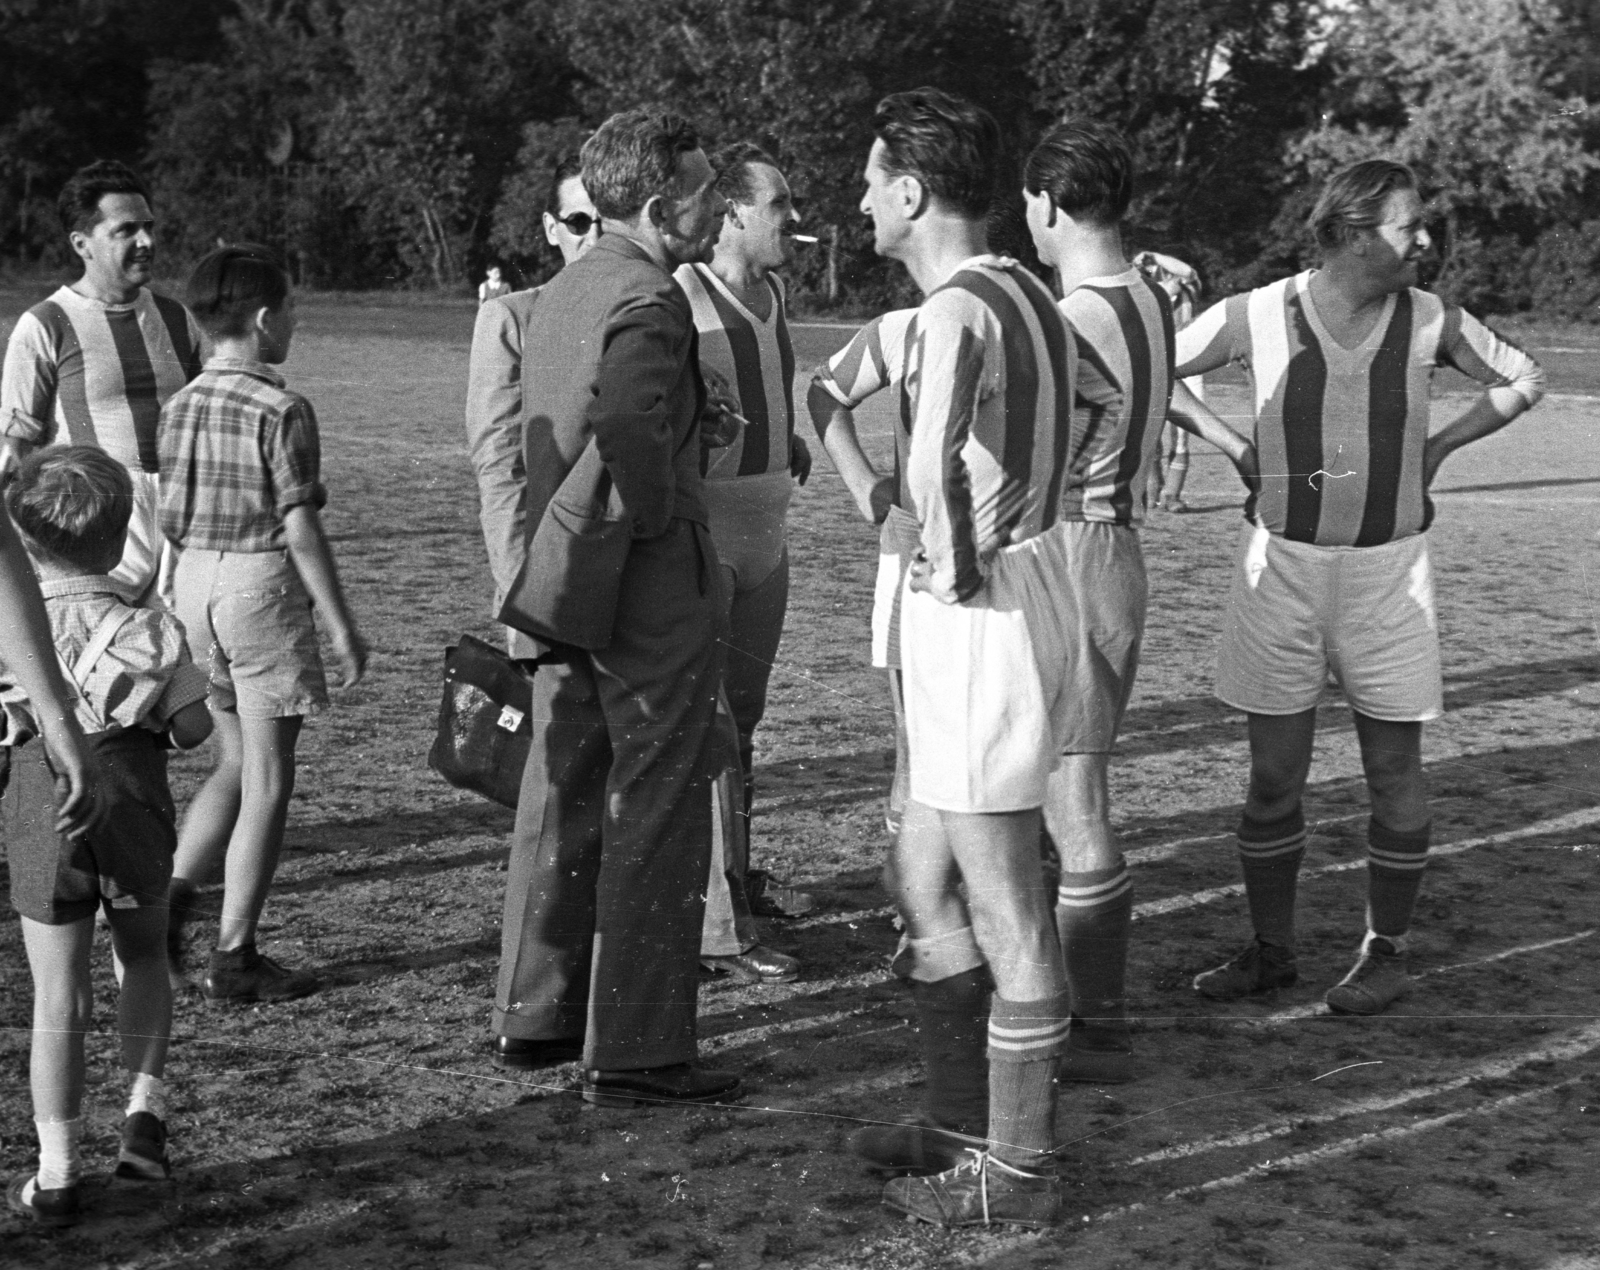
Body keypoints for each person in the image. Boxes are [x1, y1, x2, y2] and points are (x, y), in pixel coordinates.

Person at [1178, 160, 1545, 1015]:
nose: (1426, 240)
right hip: (1281, 574)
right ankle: (1272, 952)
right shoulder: (1256, 313)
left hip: (1390, 576)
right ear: (1350, 231)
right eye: (1408, 225)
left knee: (1393, 768)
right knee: (1274, 778)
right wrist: (1230, 445)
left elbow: (1523, 376)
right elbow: (1146, 369)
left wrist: (1440, 446)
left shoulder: (1431, 319)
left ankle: (1387, 950)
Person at [843, 87, 1078, 1230]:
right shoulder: (1030, 291)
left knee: (1004, 904)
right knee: (923, 878)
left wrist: (953, 560)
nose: (857, 198)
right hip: (1011, 598)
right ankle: (956, 1124)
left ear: (909, 191)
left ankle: (1018, 1181)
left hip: (979, 616)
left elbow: (930, 467)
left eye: (869, 176)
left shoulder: (950, 314)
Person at [492, 109, 741, 1107]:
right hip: (642, 574)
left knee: (562, 793)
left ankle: (537, 1012)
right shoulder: (651, 292)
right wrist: (658, 518)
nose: (714, 204)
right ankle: (637, 1047)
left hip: (565, 571)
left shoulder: (567, 284)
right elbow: (628, 418)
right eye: (700, 189)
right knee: (659, 799)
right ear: (652, 201)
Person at [1023, 122, 1258, 1085]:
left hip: (1072, 554)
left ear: (1047, 204)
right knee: (1062, 789)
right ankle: (1074, 1002)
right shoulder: (1151, 301)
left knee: (1072, 797)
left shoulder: (1075, 313)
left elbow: (1028, 454)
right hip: (1112, 556)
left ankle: (1097, 1023)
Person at [2, 447, 212, 1227]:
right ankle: (142, 1122)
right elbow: (192, 730)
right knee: (144, 956)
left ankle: (55, 1170)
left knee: (58, 993)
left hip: (36, 804)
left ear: (23, 538)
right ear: (125, 528)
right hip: (135, 805)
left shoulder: (9, 630)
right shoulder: (151, 627)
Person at [159, 244, 369, 1003]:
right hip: (255, 586)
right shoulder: (281, 408)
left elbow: (169, 518)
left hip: (191, 586)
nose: (292, 324)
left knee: (233, 759)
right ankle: (235, 952)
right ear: (261, 317)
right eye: (289, 311)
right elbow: (300, 528)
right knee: (270, 778)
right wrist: (341, 622)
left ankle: (171, 904)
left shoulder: (180, 404)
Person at [674, 141, 814, 986]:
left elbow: (764, 384)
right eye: (781, 203)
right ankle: (716, 927)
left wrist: (783, 432)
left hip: (772, 532)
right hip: (713, 535)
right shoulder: (683, 294)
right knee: (711, 724)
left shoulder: (777, 290)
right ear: (731, 212)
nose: (794, 218)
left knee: (747, 722)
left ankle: (735, 884)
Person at [0, 160, 202, 606]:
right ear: (81, 243)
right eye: (126, 230)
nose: (146, 241)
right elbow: (13, 451)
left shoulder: (176, 317)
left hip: (181, 509)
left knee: (184, 655)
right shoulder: (45, 325)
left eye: (148, 227)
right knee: (93, 658)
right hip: (95, 514)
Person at [465, 154, 602, 665]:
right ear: (551, 229)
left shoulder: (656, 310)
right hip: (551, 574)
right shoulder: (510, 318)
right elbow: (499, 467)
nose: (593, 237)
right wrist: (522, 585)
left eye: (607, 222)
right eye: (578, 222)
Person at [1132, 250, 1205, 511]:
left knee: (1184, 434)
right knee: (1151, 430)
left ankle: (1172, 494)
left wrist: (1152, 255)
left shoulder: (1188, 288)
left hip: (1189, 361)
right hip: (1156, 362)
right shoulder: (1146, 290)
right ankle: (1153, 486)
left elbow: (1187, 273)